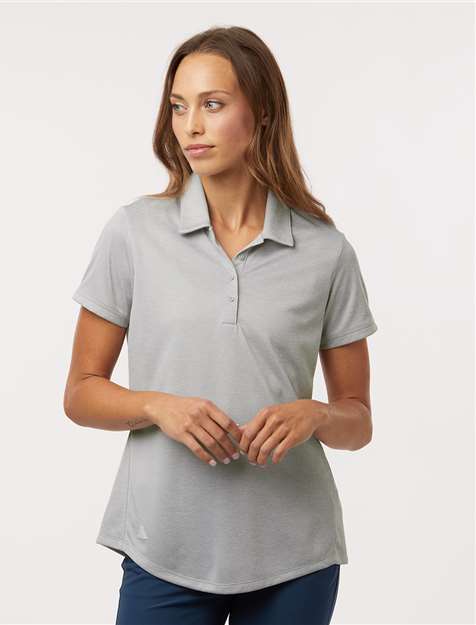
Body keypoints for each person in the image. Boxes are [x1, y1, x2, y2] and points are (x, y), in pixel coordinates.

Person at [64, 25, 378, 625]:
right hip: (163, 547)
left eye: (212, 104)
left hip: (295, 554)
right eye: (179, 106)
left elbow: (358, 421)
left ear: (262, 114)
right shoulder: (133, 233)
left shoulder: (326, 250)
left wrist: (315, 415)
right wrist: (156, 406)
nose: (190, 126)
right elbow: (80, 393)